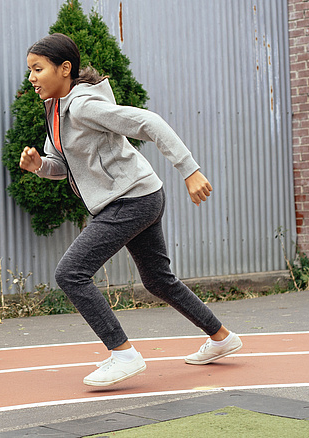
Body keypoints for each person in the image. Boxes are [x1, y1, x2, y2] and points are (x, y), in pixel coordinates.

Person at [19, 33, 242, 387]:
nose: (30, 77)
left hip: (130, 199)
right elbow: (62, 165)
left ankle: (123, 354)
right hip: (140, 195)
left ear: (64, 69)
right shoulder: (55, 112)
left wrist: (190, 169)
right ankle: (222, 337)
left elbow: (149, 123)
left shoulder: (83, 106)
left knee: (71, 273)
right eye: (29, 69)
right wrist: (39, 166)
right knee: (157, 279)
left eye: (37, 68)